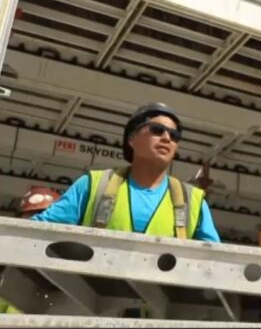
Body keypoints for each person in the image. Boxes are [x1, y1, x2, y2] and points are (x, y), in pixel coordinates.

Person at [32, 102, 220, 242]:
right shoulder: (93, 184)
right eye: (157, 129)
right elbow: (36, 231)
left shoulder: (193, 200)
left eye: (174, 135)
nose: (166, 138)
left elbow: (214, 260)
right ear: (131, 139)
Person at [0, 186, 61, 314]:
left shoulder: (62, 261)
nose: (36, 221)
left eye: (41, 214)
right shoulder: (7, 253)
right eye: (31, 215)